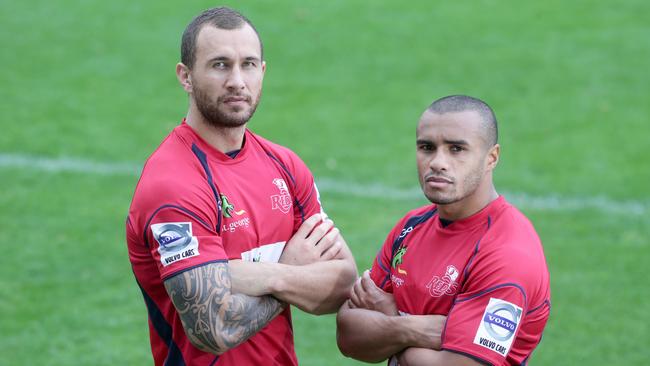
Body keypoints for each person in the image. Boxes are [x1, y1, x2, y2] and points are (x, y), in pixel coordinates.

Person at [126, 7, 357, 365]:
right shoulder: (172, 184)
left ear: (262, 71)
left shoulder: (286, 166)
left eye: (248, 64)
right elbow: (212, 330)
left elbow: (342, 283)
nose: (237, 80)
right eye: (220, 65)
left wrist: (260, 275)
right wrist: (290, 271)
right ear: (185, 76)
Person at [336, 95, 550, 365]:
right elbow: (348, 335)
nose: (437, 162)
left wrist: (390, 320)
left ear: (491, 158)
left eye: (456, 149)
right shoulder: (410, 227)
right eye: (427, 147)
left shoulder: (508, 252)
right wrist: (413, 328)